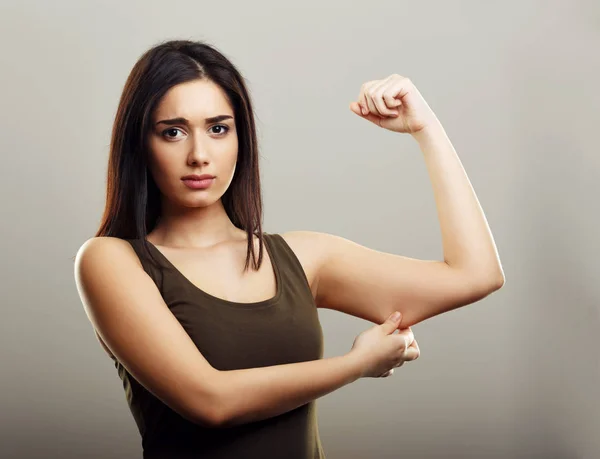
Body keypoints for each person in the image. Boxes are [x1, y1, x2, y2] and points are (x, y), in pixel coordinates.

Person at [73, 39, 505, 459]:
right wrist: (356, 364)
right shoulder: (111, 261)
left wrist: (427, 130)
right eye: (173, 132)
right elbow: (210, 402)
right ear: (140, 145)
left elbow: (475, 274)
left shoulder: (302, 258)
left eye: (218, 128)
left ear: (242, 139)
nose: (199, 154)